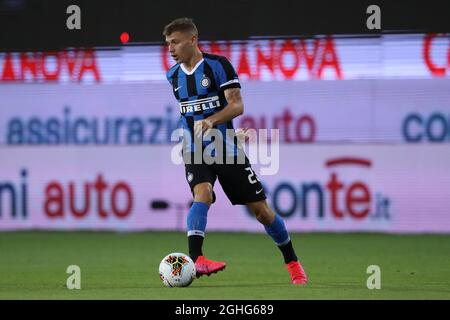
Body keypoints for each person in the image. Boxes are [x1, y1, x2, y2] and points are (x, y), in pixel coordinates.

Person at [163, 17, 307, 284]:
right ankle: (196, 260)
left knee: (262, 211)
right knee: (202, 193)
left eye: (175, 42)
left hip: (226, 149)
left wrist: (215, 123)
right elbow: (190, 115)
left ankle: (293, 262)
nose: (170, 48)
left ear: (192, 40)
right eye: (168, 43)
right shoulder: (172, 76)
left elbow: (237, 105)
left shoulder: (218, 66)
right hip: (194, 149)